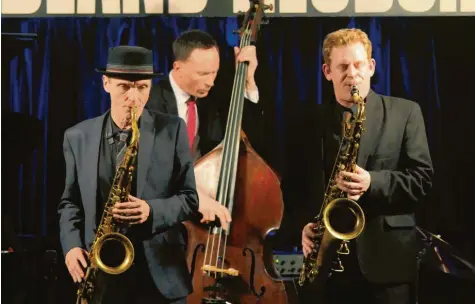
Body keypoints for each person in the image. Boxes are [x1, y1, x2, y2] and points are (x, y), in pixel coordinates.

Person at [282, 28, 434, 303]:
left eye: (358, 64)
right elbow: (293, 190)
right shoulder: (307, 122)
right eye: (342, 66)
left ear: (371, 67)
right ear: (327, 71)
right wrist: (302, 227)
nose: (352, 74)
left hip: (387, 267)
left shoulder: (406, 112)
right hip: (326, 268)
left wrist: (373, 182)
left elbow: (422, 179)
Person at [57, 45, 199, 304]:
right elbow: (70, 202)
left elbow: (190, 199)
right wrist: (71, 246)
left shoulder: (173, 130)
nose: (134, 98)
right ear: (106, 83)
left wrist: (151, 211)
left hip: (159, 278)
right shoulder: (77, 136)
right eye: (124, 87)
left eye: (142, 87)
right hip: (101, 274)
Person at [146, 29, 263, 231]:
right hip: (165, 220)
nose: (210, 81)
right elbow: (151, 169)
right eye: (202, 74)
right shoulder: (148, 102)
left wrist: (248, 81)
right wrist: (194, 196)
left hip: (208, 220)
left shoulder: (217, 97)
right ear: (178, 67)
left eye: (214, 72)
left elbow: (254, 140)